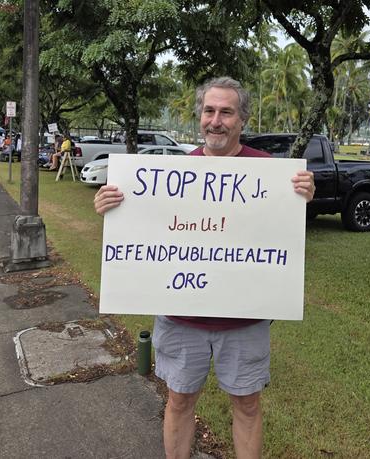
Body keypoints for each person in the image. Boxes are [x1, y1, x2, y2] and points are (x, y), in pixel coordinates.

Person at [94, 77, 315, 459]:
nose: (216, 120)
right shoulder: (174, 175)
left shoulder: (272, 175)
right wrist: (112, 204)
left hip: (244, 321)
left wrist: (301, 197)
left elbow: (279, 233)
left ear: (241, 119)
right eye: (209, 111)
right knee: (179, 401)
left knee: (247, 405)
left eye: (226, 112)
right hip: (182, 319)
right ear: (200, 116)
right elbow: (144, 228)